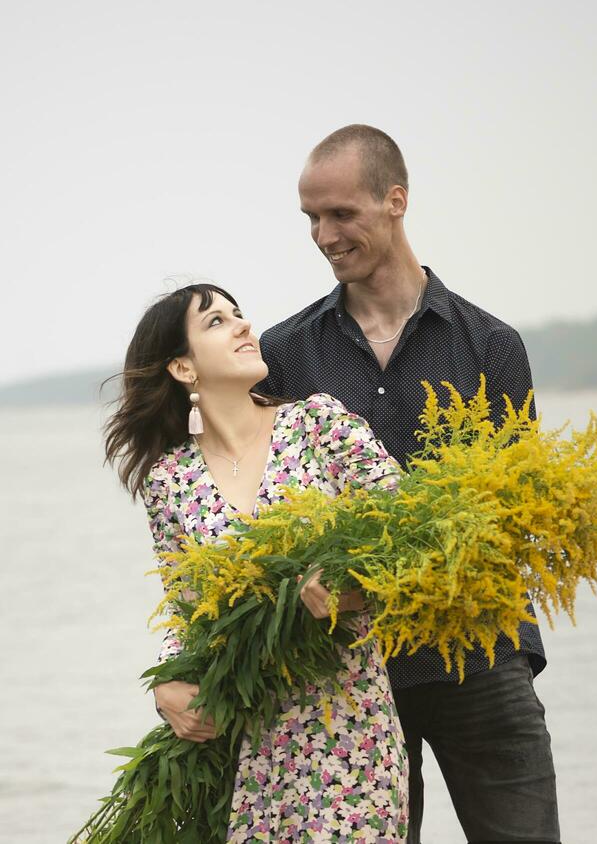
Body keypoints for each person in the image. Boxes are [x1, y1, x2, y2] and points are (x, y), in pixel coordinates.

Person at [254, 125, 561, 844]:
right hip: (344, 677)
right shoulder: (282, 354)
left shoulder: (488, 345)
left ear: (395, 201)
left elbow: (514, 519)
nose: (323, 235)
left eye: (340, 214)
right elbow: (262, 511)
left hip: (479, 659)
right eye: (310, 219)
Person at [104, 282, 409, 843]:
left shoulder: (318, 426)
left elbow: (406, 525)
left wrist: (347, 574)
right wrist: (167, 685)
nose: (244, 326)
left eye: (239, 314)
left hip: (348, 721)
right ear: (182, 368)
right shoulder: (171, 481)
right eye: (217, 322)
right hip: (247, 736)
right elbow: (185, 605)